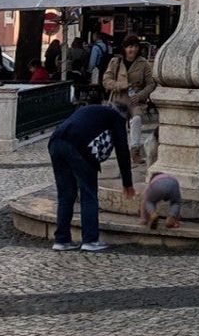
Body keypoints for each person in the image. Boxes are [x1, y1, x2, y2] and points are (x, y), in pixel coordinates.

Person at [47, 88, 136, 252]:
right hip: (78, 147)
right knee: (88, 194)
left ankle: (62, 240)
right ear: (125, 117)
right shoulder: (116, 118)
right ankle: (90, 240)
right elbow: (122, 150)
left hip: (55, 143)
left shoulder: (91, 109)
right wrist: (127, 183)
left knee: (66, 194)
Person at [102, 34, 156, 162]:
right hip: (118, 98)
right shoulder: (116, 62)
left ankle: (135, 151)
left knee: (136, 120)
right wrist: (120, 85)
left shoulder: (144, 64)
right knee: (116, 127)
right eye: (130, 47)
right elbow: (106, 80)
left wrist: (141, 95)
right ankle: (113, 150)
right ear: (125, 48)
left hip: (135, 100)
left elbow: (151, 84)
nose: (133, 50)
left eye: (136, 46)